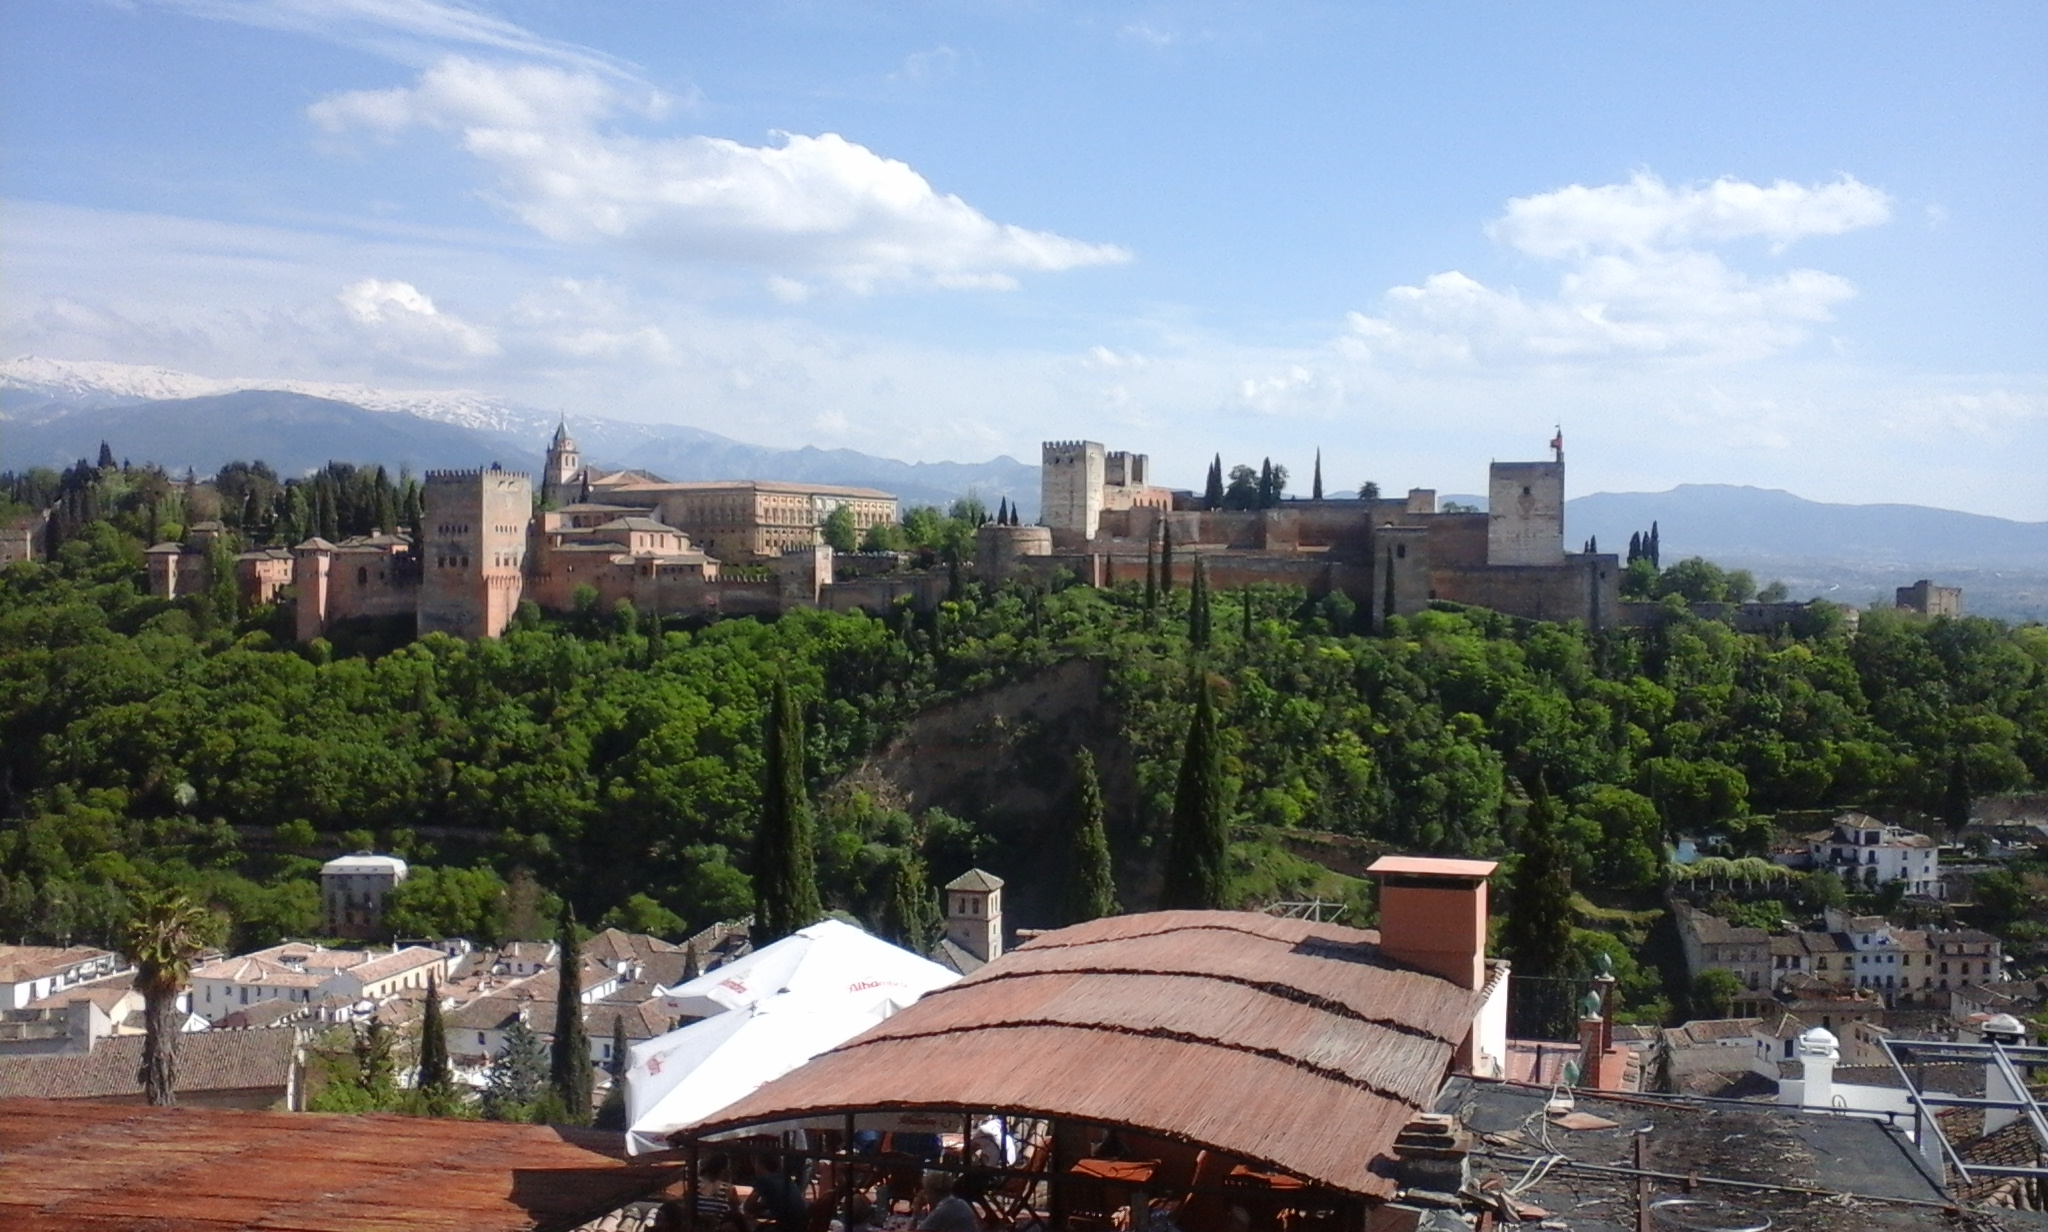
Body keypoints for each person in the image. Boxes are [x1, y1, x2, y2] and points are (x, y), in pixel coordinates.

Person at [746, 1155, 809, 1232]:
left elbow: (748, 1207)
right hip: (803, 1224)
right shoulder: (785, 1178)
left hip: (789, 1227)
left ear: (761, 1165)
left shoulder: (764, 1180)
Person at [915, 1171, 981, 1232]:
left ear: (932, 1192)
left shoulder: (942, 1211)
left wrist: (916, 1211)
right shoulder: (961, 1203)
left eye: (926, 1191)